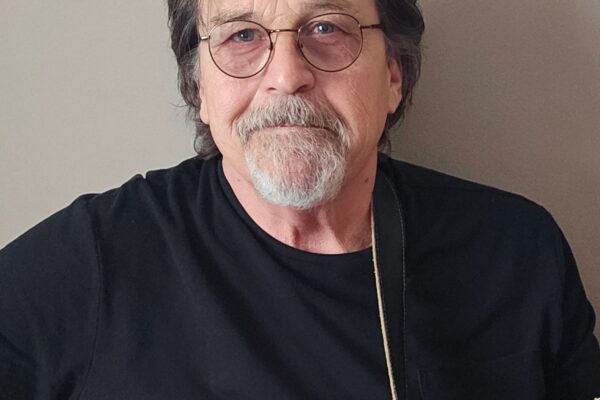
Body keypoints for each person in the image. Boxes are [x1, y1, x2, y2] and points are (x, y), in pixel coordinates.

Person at [1, 0, 599, 398]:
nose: (286, 76)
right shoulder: (93, 258)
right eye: (241, 35)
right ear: (199, 89)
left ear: (393, 75)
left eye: (327, 28)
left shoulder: (516, 252)